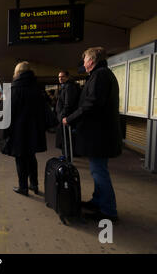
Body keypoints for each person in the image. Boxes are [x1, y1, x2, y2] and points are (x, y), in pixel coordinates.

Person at [63, 47, 122, 222]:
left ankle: (108, 211)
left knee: (99, 172)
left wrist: (70, 119)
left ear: (92, 61)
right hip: (99, 135)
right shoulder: (101, 75)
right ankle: (98, 201)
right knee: (97, 170)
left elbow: (92, 104)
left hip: (99, 136)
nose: (84, 63)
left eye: (85, 59)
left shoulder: (100, 76)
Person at [2, 61, 47, 196]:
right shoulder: (36, 88)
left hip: (19, 131)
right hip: (34, 130)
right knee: (31, 157)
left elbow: (9, 114)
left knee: (20, 159)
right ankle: (34, 184)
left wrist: (5, 133)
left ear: (17, 72)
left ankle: (23, 187)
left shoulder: (15, 89)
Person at [55, 71, 80, 160]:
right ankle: (67, 155)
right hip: (64, 117)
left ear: (67, 77)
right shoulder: (65, 87)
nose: (60, 78)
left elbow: (68, 104)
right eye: (59, 77)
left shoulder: (69, 87)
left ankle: (67, 157)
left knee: (66, 138)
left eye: (62, 76)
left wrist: (62, 116)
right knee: (65, 138)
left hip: (66, 117)